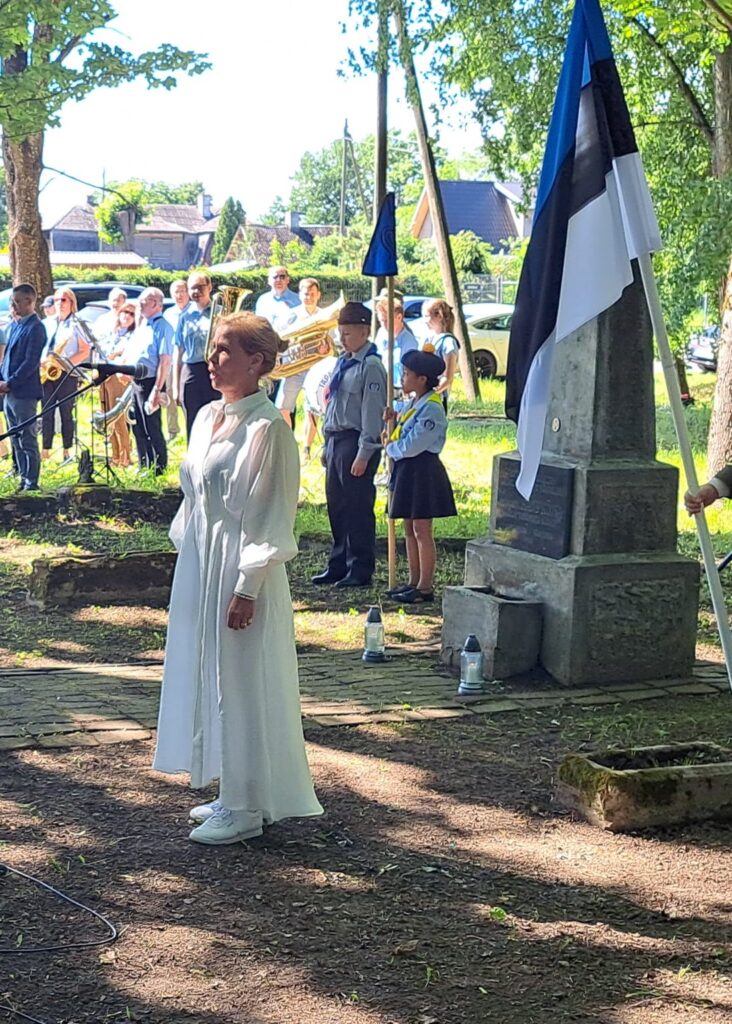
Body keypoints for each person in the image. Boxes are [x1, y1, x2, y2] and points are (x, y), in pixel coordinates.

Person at [153, 311, 323, 845]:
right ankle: (233, 788)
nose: (213, 357)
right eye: (213, 348)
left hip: (240, 566)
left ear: (257, 362)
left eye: (226, 350)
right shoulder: (206, 417)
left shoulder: (268, 428)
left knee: (243, 682)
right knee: (211, 672)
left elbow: (271, 514)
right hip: (205, 561)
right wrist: (192, 560)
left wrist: (247, 585)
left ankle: (248, 806)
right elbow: (194, 496)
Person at [312, 301, 386, 588]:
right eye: (340, 333)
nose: (343, 339)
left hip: (355, 440)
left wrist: (365, 452)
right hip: (336, 439)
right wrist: (325, 445)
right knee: (337, 506)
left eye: (349, 334)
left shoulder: (371, 367)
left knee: (357, 506)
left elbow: (372, 412)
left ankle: (360, 567)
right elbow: (332, 406)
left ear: (365, 331)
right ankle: (338, 562)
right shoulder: (344, 362)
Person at [383, 347, 457, 604]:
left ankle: (425, 586)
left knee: (422, 528)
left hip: (423, 470)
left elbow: (414, 443)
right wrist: (392, 421)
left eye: (406, 374)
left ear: (422, 379)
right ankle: (413, 581)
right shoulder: (415, 403)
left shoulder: (432, 408)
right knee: (408, 526)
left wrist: (390, 448)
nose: (403, 378)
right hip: (408, 469)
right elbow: (402, 429)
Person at [119, 287, 172, 475]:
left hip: (151, 382)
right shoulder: (143, 325)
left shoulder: (163, 326)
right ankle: (144, 465)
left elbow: (164, 361)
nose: (140, 304)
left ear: (156, 304)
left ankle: (159, 469)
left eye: (145, 301)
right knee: (138, 426)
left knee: (152, 426)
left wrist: (157, 390)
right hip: (137, 381)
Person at [0, 284, 47, 491]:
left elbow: (30, 362)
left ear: (30, 301)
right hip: (9, 391)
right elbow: (8, 358)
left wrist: (10, 383)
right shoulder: (17, 325)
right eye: (13, 301)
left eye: (17, 301)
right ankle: (22, 476)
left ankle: (32, 481)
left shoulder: (36, 327)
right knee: (15, 437)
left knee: (27, 436)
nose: (14, 305)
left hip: (23, 392)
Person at [40, 288, 91, 465]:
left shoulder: (77, 324)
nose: (59, 304)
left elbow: (85, 350)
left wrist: (64, 363)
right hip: (47, 373)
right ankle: (45, 449)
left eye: (63, 300)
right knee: (46, 412)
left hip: (67, 374)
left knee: (66, 413)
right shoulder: (49, 323)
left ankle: (67, 450)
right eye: (56, 300)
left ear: (71, 303)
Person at [276, 277, 334, 429]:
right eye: (306, 294)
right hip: (295, 368)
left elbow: (334, 343)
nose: (309, 297)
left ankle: (308, 448)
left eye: (312, 294)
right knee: (283, 408)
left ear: (318, 295)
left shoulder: (325, 316)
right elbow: (279, 339)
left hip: (316, 369)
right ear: (300, 295)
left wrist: (326, 348)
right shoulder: (290, 316)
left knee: (314, 410)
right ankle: (287, 442)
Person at [172, 272, 219, 440]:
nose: (196, 292)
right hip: (191, 370)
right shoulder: (184, 317)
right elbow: (179, 350)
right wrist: (176, 386)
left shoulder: (220, 313)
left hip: (215, 370)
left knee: (216, 418)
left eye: (200, 287)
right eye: (192, 288)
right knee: (192, 418)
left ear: (210, 288)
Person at [99, 302, 136, 468]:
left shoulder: (133, 335)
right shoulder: (112, 333)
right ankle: (114, 455)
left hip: (118, 377)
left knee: (118, 418)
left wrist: (115, 355)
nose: (126, 316)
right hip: (103, 376)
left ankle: (125, 456)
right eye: (124, 312)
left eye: (131, 313)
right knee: (107, 417)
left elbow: (125, 355)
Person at [163, 279, 190, 440]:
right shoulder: (168, 314)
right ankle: (173, 430)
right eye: (176, 292)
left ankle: (190, 429)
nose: (179, 295)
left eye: (182, 291)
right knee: (170, 395)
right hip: (171, 361)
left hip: (188, 361)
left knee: (187, 396)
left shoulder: (194, 311)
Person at [374, 296, 418, 392]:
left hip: (399, 393)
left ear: (399, 317)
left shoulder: (409, 341)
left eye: (387, 320)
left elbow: (410, 373)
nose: (384, 325)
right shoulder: (381, 333)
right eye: (381, 321)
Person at [421, 299, 460, 407]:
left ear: (439, 316)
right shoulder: (428, 339)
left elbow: (447, 378)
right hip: (422, 397)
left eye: (427, 316)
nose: (424, 320)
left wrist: (432, 394)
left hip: (436, 399)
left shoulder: (448, 342)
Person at [254, 265, 301, 333]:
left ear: (288, 280)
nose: (278, 280)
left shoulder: (299, 299)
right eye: (275, 277)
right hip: (269, 341)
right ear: (269, 281)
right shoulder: (262, 301)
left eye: (282, 277)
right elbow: (259, 326)